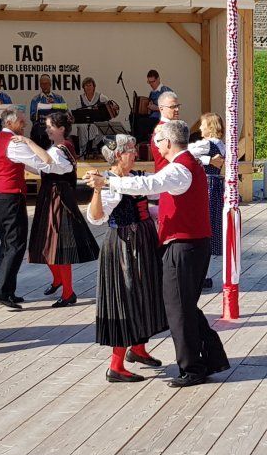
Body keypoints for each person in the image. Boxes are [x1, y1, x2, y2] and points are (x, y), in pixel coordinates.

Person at [88, 120, 229, 388]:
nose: (152, 146)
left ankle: (193, 367)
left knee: (178, 309)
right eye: (129, 150)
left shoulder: (179, 168)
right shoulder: (185, 165)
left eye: (157, 140)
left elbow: (151, 185)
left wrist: (108, 180)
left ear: (168, 142)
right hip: (171, 244)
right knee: (181, 306)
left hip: (183, 245)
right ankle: (209, 358)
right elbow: (153, 201)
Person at [84, 135, 167, 382]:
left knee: (145, 296)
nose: (135, 154)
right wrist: (98, 190)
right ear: (118, 155)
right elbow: (96, 217)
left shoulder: (133, 178)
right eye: (130, 151)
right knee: (127, 299)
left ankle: (138, 349)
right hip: (124, 247)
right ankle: (116, 366)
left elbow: (146, 206)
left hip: (142, 242)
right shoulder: (109, 183)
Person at [27, 112, 101, 307]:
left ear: (61, 129)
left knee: (58, 246)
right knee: (45, 242)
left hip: (59, 198)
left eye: (50, 126)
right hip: (50, 196)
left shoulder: (61, 149)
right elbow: (45, 167)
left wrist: (28, 143)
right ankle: (58, 280)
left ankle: (68, 292)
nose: (47, 129)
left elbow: (51, 164)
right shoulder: (57, 149)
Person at [0, 108, 53, 309]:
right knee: (16, 244)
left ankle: (7, 290)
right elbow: (40, 163)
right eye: (21, 122)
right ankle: (0, 291)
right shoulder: (14, 143)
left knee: (7, 244)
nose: (25, 125)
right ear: (10, 123)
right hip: (10, 196)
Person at [188, 113, 227, 288]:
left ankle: (200, 273)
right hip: (216, 185)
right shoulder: (221, 145)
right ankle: (204, 272)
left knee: (202, 225)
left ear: (210, 127)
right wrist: (209, 160)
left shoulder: (206, 144)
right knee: (210, 226)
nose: (200, 128)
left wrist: (205, 160)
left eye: (203, 125)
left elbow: (185, 153)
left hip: (206, 185)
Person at [73, 77, 119, 158]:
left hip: (98, 121)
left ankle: (94, 145)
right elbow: (78, 113)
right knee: (81, 127)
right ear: (83, 88)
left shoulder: (101, 97)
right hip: (85, 122)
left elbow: (109, 108)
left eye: (90, 85)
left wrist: (113, 108)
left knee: (105, 125)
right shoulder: (79, 98)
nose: (88, 87)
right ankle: (83, 150)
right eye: (86, 86)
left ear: (94, 86)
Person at [29, 74, 66, 149]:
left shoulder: (58, 98)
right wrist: (39, 111)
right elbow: (32, 116)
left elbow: (65, 112)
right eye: (42, 84)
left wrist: (54, 105)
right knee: (37, 129)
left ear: (50, 84)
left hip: (56, 124)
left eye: (46, 84)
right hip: (41, 125)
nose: (44, 86)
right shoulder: (35, 99)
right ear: (40, 85)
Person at [150, 91, 181, 168]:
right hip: (166, 177)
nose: (177, 109)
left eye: (178, 106)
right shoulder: (162, 130)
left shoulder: (172, 127)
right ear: (161, 108)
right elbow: (178, 155)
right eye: (172, 107)